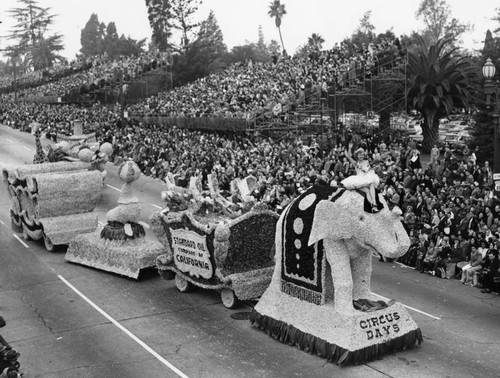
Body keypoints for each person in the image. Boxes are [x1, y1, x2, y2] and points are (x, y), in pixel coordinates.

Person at [342, 144, 381, 212]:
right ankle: (373, 204)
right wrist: (349, 148)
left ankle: (374, 204)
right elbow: (348, 156)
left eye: (362, 154)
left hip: (366, 178)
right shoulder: (355, 163)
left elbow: (369, 170)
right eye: (359, 155)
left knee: (371, 184)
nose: (361, 156)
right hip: (359, 180)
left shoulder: (366, 162)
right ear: (357, 156)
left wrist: (375, 168)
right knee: (367, 191)